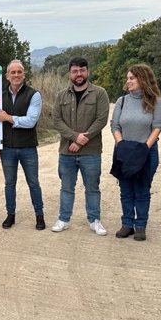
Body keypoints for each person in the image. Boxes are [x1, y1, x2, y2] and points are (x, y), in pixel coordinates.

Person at [52, 57, 110, 235]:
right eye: (75, 71)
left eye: (82, 70)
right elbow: (57, 120)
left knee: (92, 187)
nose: (79, 74)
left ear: (88, 72)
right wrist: (75, 137)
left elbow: (101, 119)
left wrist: (82, 140)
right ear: (70, 73)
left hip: (91, 152)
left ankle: (94, 220)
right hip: (66, 151)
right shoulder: (61, 95)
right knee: (66, 187)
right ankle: (63, 219)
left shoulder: (99, 93)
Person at [110, 64, 161, 241]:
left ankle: (140, 225)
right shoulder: (122, 101)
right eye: (128, 78)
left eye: (132, 78)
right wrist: (121, 145)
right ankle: (127, 224)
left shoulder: (155, 101)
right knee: (125, 190)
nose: (128, 81)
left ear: (142, 79)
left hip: (145, 152)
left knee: (142, 189)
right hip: (124, 151)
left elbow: (158, 125)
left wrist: (144, 148)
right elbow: (115, 125)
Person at [0, 59, 45, 230]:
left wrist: (8, 118)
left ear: (24, 74)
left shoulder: (34, 95)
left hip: (28, 147)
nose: (16, 75)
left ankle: (39, 215)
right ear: (7, 76)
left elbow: (30, 121)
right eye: (12, 72)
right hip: (7, 148)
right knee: (9, 183)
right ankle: (10, 215)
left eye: (19, 72)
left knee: (33, 182)